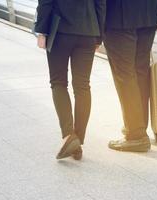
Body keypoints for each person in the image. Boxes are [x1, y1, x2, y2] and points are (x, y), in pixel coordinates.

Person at [35, 0, 106, 160]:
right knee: (82, 86)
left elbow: (46, 2)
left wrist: (41, 31)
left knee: (58, 82)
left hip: (60, 30)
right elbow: (101, 4)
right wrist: (99, 36)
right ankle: (77, 140)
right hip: (89, 31)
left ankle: (69, 136)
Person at [104, 0, 157, 152]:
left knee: (124, 75)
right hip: (149, 13)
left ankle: (135, 135)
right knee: (140, 72)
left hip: (118, 15)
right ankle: (138, 129)